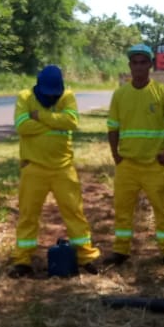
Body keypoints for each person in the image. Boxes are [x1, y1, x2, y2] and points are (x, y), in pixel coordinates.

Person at [8, 65, 101, 277]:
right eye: (47, 94)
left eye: (54, 94)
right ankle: (22, 260)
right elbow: (22, 127)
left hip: (63, 168)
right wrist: (55, 123)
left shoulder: (67, 96)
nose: (52, 97)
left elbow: (72, 121)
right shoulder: (25, 97)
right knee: (27, 215)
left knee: (74, 213)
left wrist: (39, 116)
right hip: (33, 168)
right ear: (38, 86)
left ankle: (86, 256)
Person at [103, 44, 164, 267]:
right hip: (127, 164)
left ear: (150, 65)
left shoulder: (163, 92)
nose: (138, 67)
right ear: (129, 66)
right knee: (122, 210)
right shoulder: (120, 94)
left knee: (163, 210)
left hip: (154, 164)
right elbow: (112, 128)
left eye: (143, 62)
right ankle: (120, 251)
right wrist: (115, 156)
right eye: (134, 63)